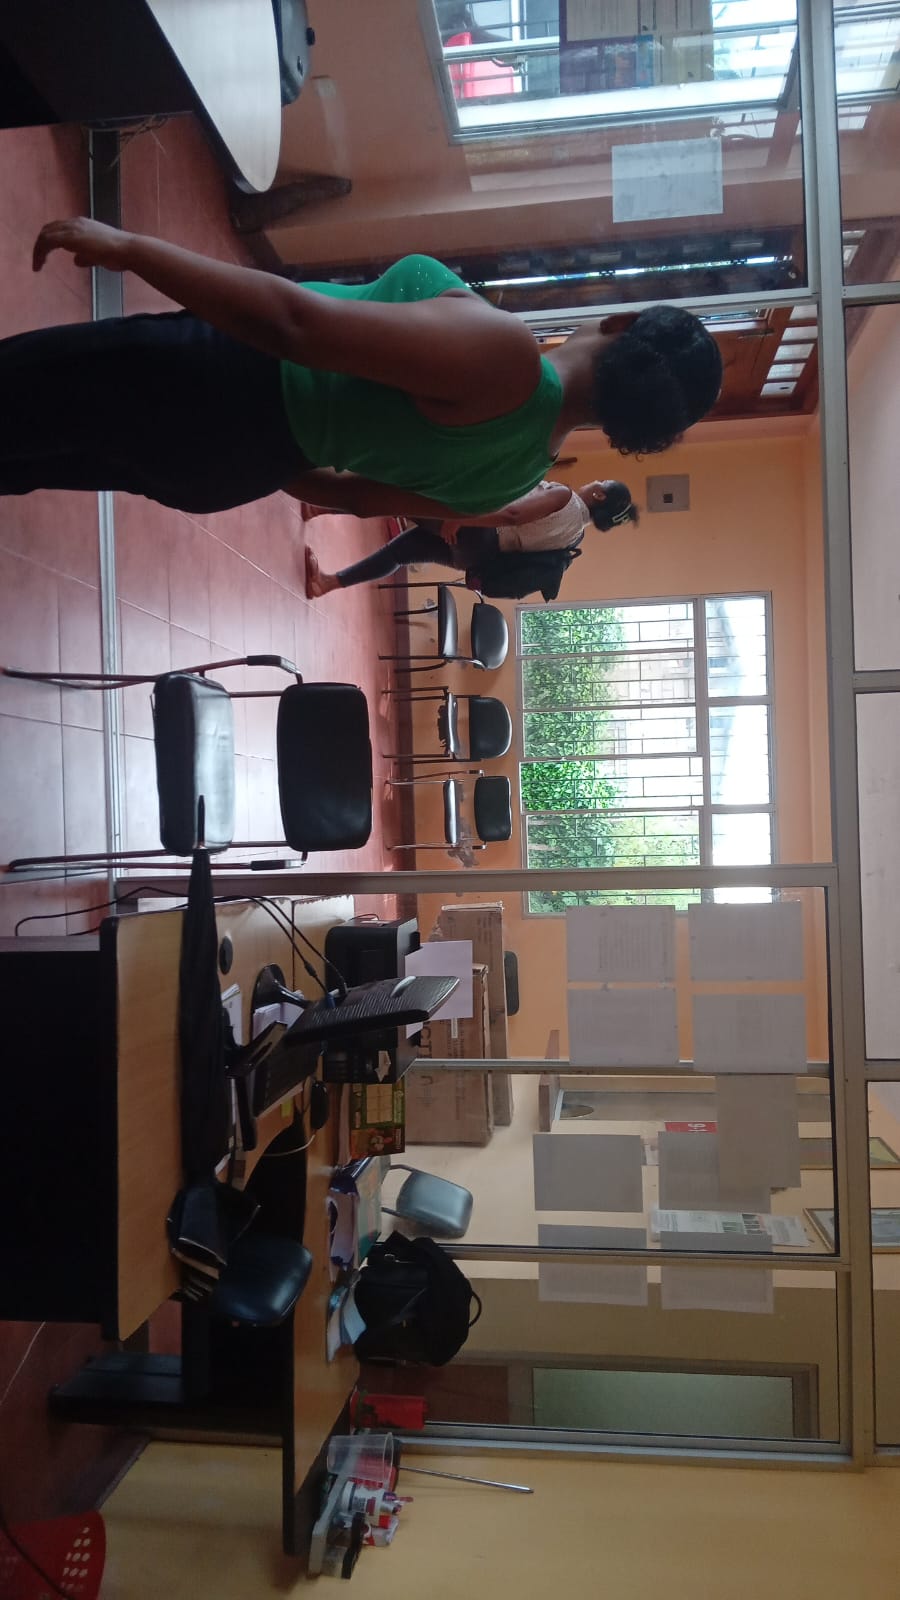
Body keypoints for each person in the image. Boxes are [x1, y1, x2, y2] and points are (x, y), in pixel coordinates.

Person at [11, 218, 723, 518]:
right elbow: (349, 499)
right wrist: (271, 443)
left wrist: (132, 249)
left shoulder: (508, 361)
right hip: (235, 463)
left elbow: (296, 326)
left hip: (212, 380)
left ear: (623, 323)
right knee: (23, 456)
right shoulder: (517, 477)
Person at [304, 478, 638, 598]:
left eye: (601, 483)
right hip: (479, 556)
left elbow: (512, 514)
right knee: (400, 552)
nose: (594, 482)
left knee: (397, 498)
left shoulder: (566, 498)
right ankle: (328, 583)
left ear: (599, 495)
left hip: (477, 530)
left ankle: (320, 506)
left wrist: (460, 517)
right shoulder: (575, 538)